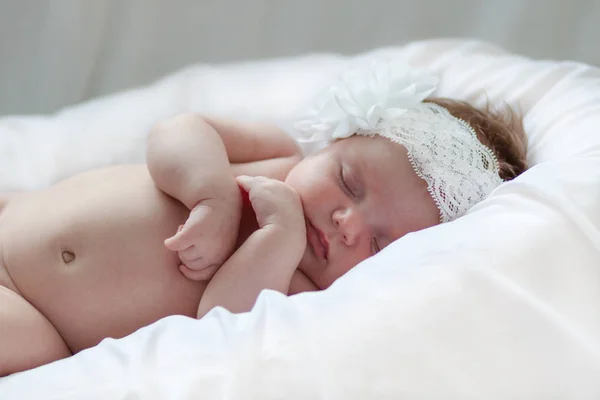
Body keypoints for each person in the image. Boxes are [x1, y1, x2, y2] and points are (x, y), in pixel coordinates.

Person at [0, 60, 527, 376]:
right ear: (333, 141)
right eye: (349, 182)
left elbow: (219, 322)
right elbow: (178, 130)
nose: (347, 223)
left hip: (34, 314)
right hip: (16, 211)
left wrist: (276, 238)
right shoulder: (275, 155)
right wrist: (212, 195)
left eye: (380, 245)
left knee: (30, 351)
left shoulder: (300, 290)